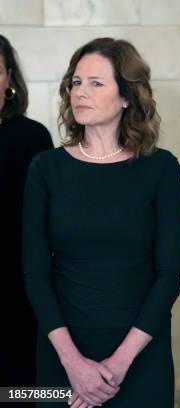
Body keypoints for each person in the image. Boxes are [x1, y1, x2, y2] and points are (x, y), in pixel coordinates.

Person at [22, 38, 180, 407]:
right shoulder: (45, 169)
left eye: (96, 83)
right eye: (76, 82)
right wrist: (72, 362)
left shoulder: (160, 168)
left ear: (127, 96)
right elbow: (35, 272)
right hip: (61, 352)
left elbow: (170, 275)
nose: (81, 92)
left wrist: (118, 363)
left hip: (141, 355)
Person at [0, 34, 53, 403]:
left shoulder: (32, 137)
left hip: (16, 293)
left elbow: (48, 221)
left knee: (18, 393)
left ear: (9, 79)